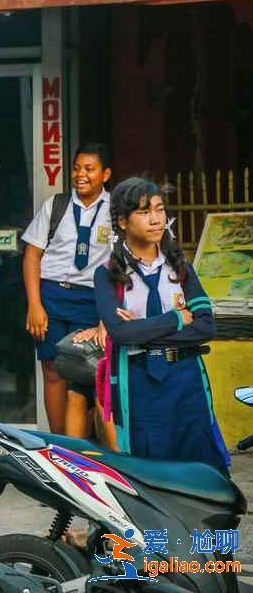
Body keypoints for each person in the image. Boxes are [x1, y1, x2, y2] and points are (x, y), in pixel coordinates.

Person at [95, 177, 230, 472]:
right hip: (139, 381)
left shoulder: (181, 267)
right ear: (122, 221)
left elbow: (206, 327)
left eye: (159, 209)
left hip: (186, 379)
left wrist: (142, 332)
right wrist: (176, 319)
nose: (156, 219)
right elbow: (119, 333)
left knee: (200, 463)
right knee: (148, 466)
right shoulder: (107, 274)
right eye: (144, 212)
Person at [21, 143, 112, 437]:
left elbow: (121, 265)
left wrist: (108, 313)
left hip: (91, 299)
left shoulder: (115, 210)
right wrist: (35, 304)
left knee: (86, 373)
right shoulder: (55, 205)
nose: (80, 174)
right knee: (53, 371)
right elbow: (32, 256)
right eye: (76, 168)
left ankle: (84, 446)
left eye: (89, 169)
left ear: (105, 174)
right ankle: (59, 446)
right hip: (52, 295)